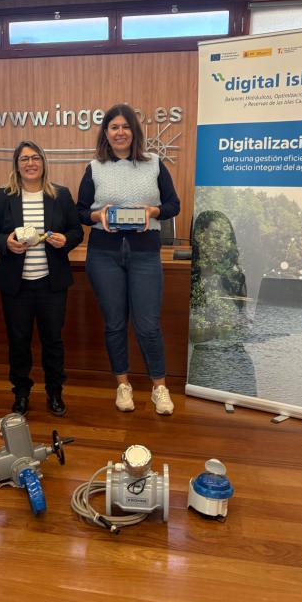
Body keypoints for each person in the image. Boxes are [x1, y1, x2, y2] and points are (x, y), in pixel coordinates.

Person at [77, 103, 180, 414]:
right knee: (114, 323)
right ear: (106, 133)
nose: (120, 132)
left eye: (125, 126)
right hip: (104, 254)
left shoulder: (154, 164)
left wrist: (153, 211)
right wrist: (98, 215)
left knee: (148, 325)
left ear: (134, 131)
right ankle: (123, 385)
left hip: (144, 253)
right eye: (114, 127)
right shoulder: (94, 167)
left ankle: (159, 388)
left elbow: (173, 205)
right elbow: (80, 211)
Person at [0, 140, 83, 416]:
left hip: (52, 284)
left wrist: (66, 241)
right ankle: (21, 393)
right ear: (16, 165)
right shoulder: (2, 196)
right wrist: (6, 242)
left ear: (43, 163)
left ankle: (55, 392)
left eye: (35, 158)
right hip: (16, 286)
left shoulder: (60, 195)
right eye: (24, 159)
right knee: (18, 342)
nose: (30, 163)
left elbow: (77, 231)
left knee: (53, 341)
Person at [188, 209, 256, 396]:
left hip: (240, 366)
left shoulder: (235, 279)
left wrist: (243, 327)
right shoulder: (190, 279)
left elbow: (242, 326)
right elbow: (190, 335)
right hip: (206, 364)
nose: (222, 244)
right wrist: (218, 329)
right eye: (217, 236)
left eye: (227, 238)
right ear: (199, 237)